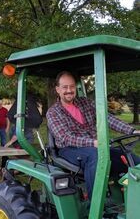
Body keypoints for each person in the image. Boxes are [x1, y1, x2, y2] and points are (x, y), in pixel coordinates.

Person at [46, 71, 140, 200]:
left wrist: (131, 131)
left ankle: (132, 199)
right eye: (65, 87)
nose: (69, 90)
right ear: (57, 89)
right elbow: (65, 137)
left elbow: (107, 118)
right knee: (94, 155)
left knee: (130, 158)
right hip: (69, 150)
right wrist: (93, 143)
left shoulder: (85, 103)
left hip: (96, 146)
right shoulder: (53, 112)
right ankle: (95, 205)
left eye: (72, 86)